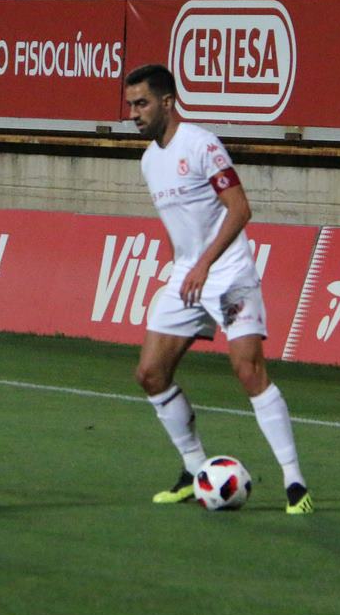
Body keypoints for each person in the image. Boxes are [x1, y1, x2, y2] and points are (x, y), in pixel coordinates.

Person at [122, 64, 313, 516]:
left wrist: (205, 265)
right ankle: (193, 469)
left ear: (167, 102)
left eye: (141, 103)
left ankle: (294, 482)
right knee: (150, 373)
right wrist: (182, 267)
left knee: (247, 370)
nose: (133, 113)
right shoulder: (149, 161)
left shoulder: (202, 144)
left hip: (227, 274)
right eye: (130, 105)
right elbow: (178, 226)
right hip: (187, 276)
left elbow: (240, 209)